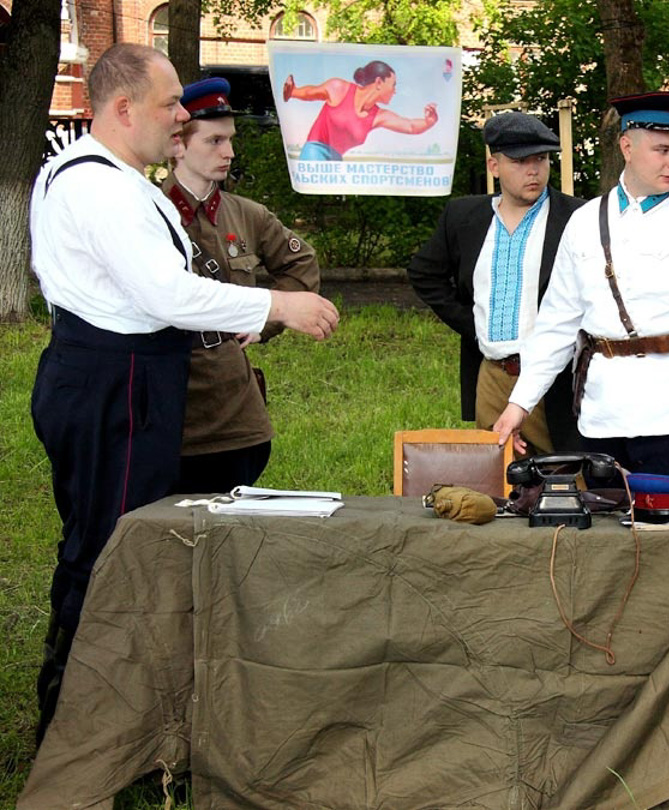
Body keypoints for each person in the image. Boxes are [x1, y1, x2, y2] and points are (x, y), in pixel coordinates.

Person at [28, 43, 338, 745]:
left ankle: (114, 712)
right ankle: (78, 727)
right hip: (115, 380)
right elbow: (165, 293)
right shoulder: (98, 185)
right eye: (170, 104)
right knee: (109, 552)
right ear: (122, 108)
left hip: (123, 375)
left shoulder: (114, 178)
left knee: (121, 546)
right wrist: (277, 308)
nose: (179, 117)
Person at [493, 91, 669, 493]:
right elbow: (558, 323)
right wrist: (520, 403)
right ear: (626, 146)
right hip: (602, 418)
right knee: (610, 545)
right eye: (663, 149)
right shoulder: (584, 222)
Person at [162, 77, 322, 494]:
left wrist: (263, 322)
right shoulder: (147, 211)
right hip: (169, 401)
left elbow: (300, 261)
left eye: (230, 140)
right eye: (214, 141)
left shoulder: (246, 215)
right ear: (178, 143)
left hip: (234, 409)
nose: (229, 152)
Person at [409, 112, 585, 455]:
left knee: (570, 477)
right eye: (520, 161)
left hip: (557, 379)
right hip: (492, 372)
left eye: (542, 159)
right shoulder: (465, 217)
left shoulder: (577, 218)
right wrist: (471, 324)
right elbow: (423, 272)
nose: (533, 170)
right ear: (494, 166)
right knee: (499, 477)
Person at [282, 60, 438, 161]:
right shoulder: (339, 88)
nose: (394, 91)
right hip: (315, 152)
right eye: (393, 84)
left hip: (336, 161)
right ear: (379, 82)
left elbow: (410, 126)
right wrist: (293, 91)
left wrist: (429, 122)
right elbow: (310, 93)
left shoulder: (378, 116)